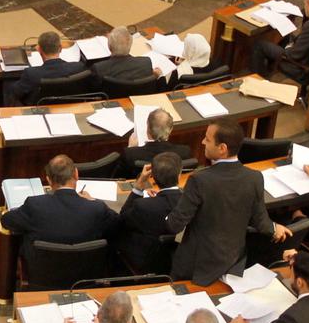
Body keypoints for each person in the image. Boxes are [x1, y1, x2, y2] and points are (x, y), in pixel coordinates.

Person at [166, 122, 289, 285]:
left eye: (207, 140)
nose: (203, 142)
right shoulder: (254, 178)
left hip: (197, 268)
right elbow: (260, 220)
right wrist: (274, 227)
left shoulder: (199, 180)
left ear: (222, 148)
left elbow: (174, 225)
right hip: (233, 263)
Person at [0, 154, 121, 270]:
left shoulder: (35, 205)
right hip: (86, 276)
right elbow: (118, 224)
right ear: (76, 174)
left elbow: (6, 220)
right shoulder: (97, 208)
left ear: (48, 180)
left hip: (42, 274)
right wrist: (93, 200)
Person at [112, 153, 182, 275]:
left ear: (152, 177)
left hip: (146, 262)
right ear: (179, 174)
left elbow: (122, 220)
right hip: (177, 259)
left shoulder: (142, 206)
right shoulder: (190, 201)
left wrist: (138, 187)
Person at [7, 31, 85, 105]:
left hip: (38, 109)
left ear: (39, 49)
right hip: (70, 106)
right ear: (60, 48)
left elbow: (16, 93)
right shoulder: (78, 67)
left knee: (7, 84)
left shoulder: (31, 73)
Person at [121, 108, 192, 173]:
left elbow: (123, 174)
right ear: (170, 130)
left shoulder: (131, 154)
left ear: (148, 129)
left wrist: (130, 147)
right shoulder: (185, 152)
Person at [91, 26, 159, 86]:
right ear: (130, 44)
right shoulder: (146, 63)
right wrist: (156, 75)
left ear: (109, 46)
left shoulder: (99, 69)